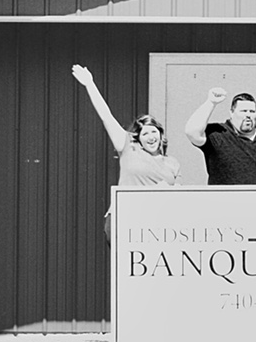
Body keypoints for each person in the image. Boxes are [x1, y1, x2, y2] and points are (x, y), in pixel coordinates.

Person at [71, 64, 182, 239]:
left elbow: (179, 197)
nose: (150, 136)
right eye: (145, 133)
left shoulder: (172, 163)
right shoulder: (129, 146)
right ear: (138, 137)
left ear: (161, 135)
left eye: (154, 131)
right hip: (124, 217)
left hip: (156, 224)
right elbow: (106, 116)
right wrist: (90, 84)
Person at [185, 88, 256, 184]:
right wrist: (211, 102)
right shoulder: (219, 133)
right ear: (231, 113)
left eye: (252, 111)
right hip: (226, 198)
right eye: (244, 111)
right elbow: (192, 132)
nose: (248, 115)